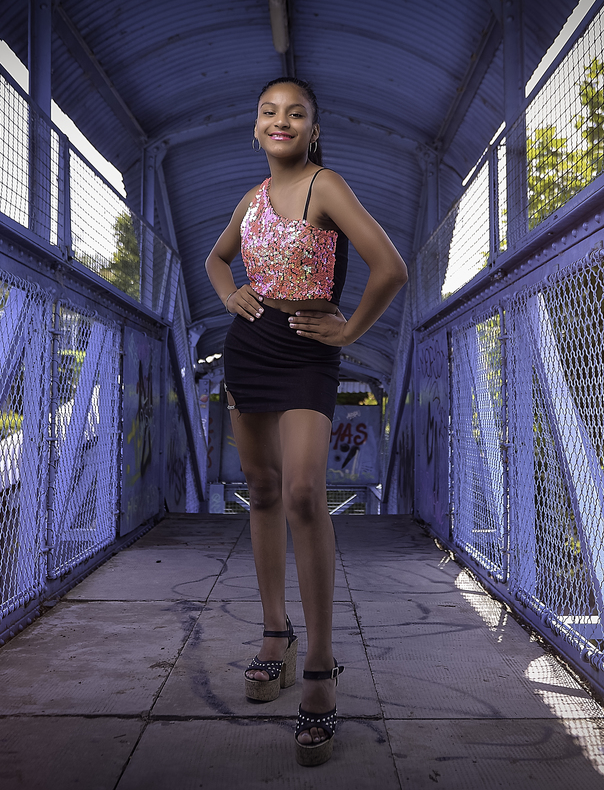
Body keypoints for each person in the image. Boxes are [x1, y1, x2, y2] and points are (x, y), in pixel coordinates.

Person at [204, 77, 408, 766]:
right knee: (261, 489)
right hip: (249, 350)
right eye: (269, 112)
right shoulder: (251, 199)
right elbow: (217, 258)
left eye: (295, 113)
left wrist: (348, 331)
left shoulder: (327, 187)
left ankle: (320, 663)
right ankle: (275, 634)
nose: (281, 121)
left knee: (301, 492)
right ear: (256, 127)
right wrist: (229, 294)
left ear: (311, 129)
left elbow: (390, 267)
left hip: (306, 352)